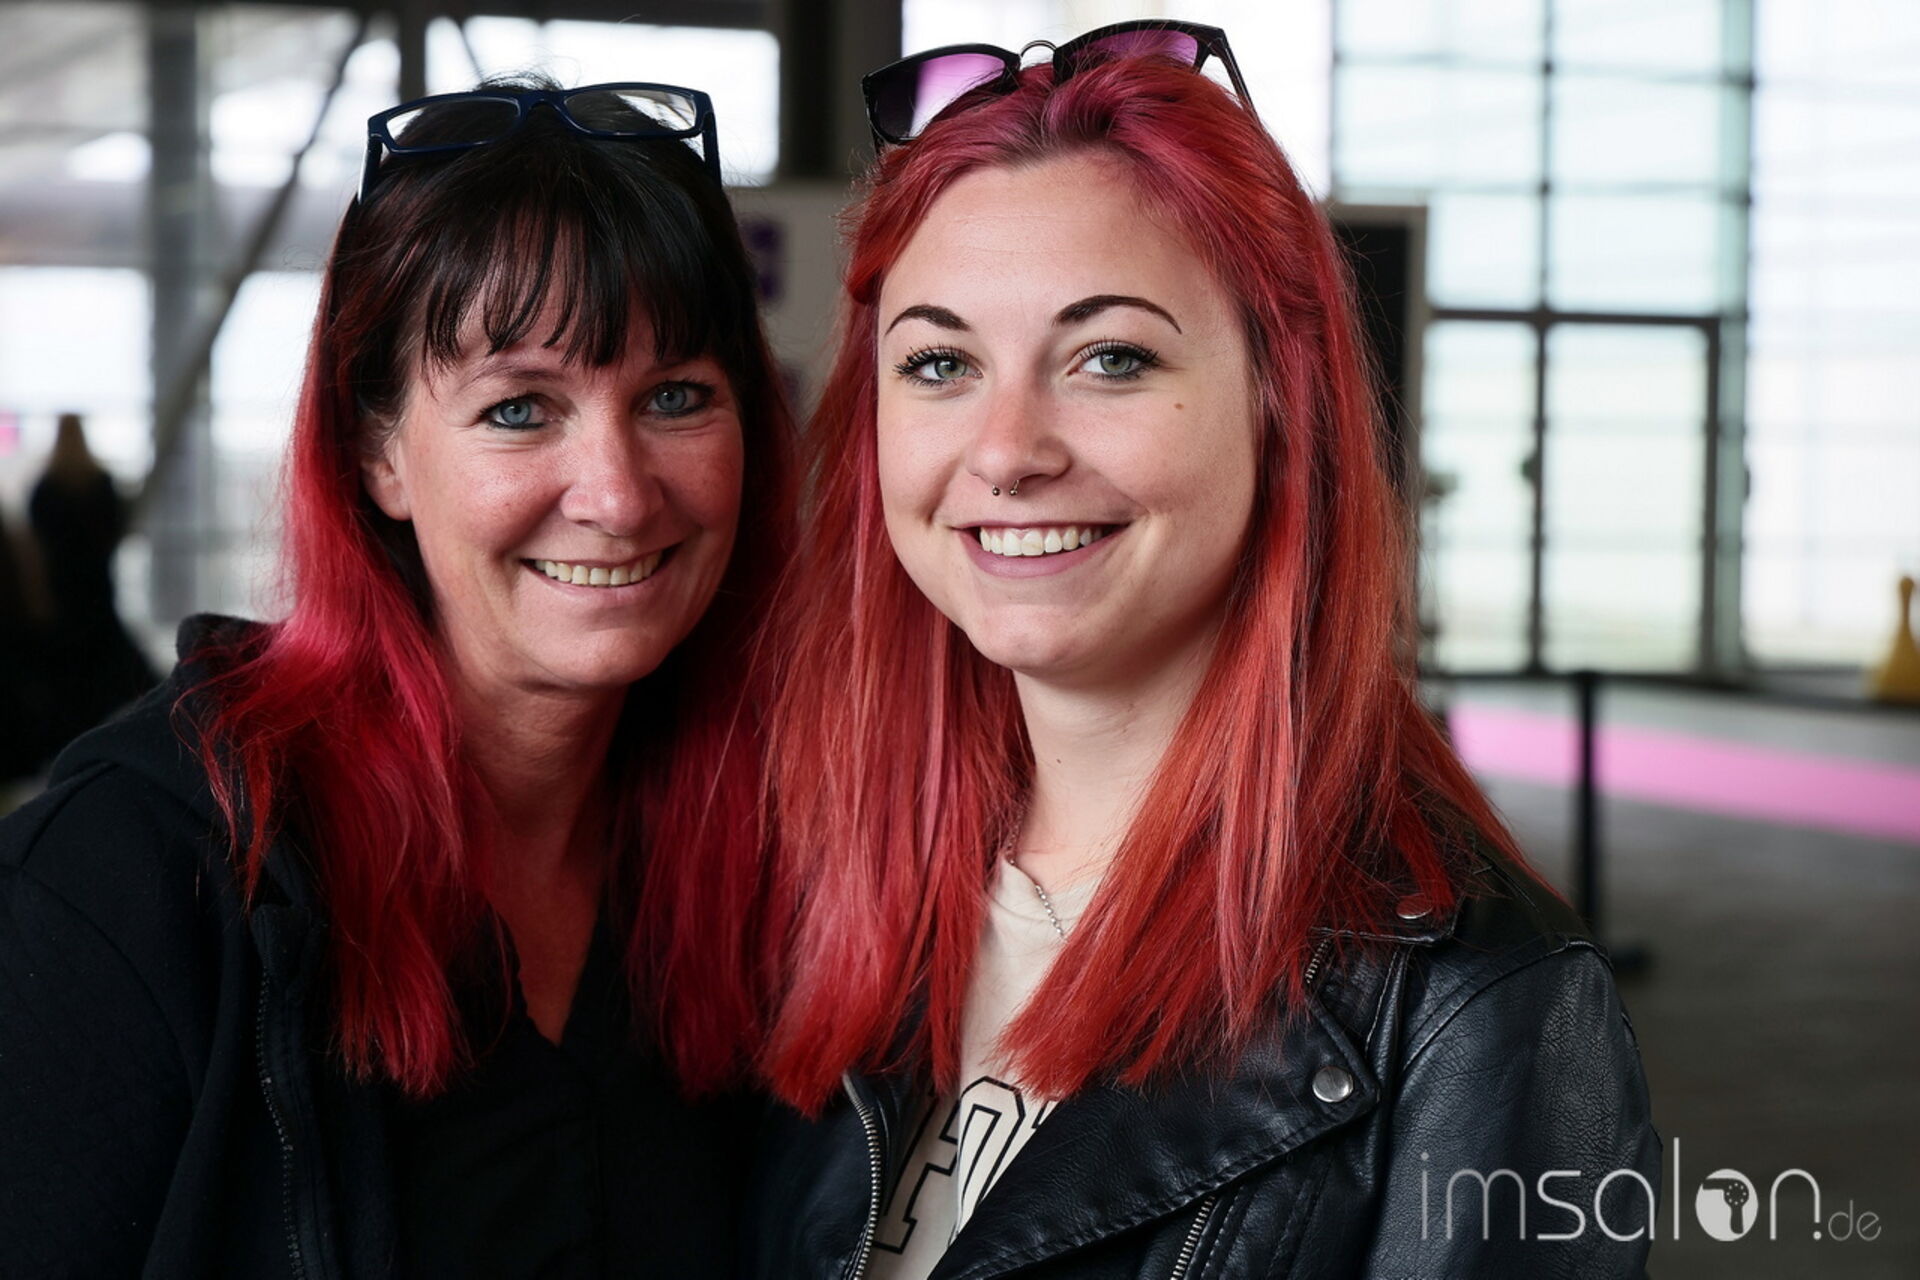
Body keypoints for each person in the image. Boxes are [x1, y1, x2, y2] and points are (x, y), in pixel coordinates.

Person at [747, 23, 1659, 1278]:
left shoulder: (1483, 1011)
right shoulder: (828, 885)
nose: (1006, 449)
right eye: (941, 362)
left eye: (1110, 357)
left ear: (1281, 405)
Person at [0, 75, 792, 1277]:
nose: (619, 494)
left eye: (676, 396)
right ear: (378, 452)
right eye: (520, 409)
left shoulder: (778, 847)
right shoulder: (130, 881)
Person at [23, 412, 159, 767]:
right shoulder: (101, 484)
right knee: (109, 667)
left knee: (66, 673)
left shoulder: (46, 487)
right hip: (97, 590)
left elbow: (36, 545)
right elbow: (114, 533)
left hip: (62, 594)